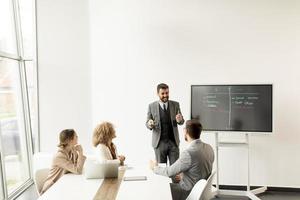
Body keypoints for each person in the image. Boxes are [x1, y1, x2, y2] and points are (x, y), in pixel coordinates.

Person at [149, 119, 214, 200]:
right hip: (201, 192)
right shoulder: (209, 148)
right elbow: (200, 170)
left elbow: (169, 172)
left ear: (185, 131)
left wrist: (154, 168)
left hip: (187, 192)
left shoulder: (188, 153)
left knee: (160, 190)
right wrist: (184, 176)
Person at [146, 83, 184, 166]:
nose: (165, 95)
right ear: (157, 94)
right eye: (162, 93)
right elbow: (147, 122)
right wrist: (150, 124)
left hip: (173, 143)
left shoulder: (175, 105)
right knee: (161, 170)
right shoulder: (151, 106)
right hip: (159, 144)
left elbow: (181, 121)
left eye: (167, 93)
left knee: (175, 170)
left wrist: (180, 120)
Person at [41, 129, 86, 194]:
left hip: (62, 185)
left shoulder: (72, 151)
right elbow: (78, 170)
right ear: (70, 140)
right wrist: (81, 152)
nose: (77, 138)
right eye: (76, 136)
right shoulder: (59, 156)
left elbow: (78, 167)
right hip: (51, 189)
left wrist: (78, 154)